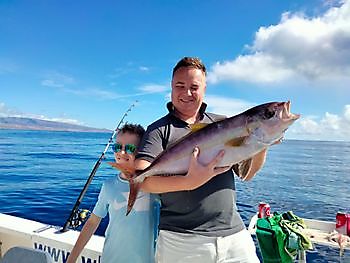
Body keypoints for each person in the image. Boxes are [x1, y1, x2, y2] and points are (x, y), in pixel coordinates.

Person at [135, 57, 266, 262]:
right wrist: (189, 181)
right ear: (171, 87)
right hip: (181, 241)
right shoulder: (158, 130)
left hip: (234, 236)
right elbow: (142, 179)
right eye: (180, 86)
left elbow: (247, 174)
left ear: (204, 88)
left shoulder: (224, 123)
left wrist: (262, 144)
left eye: (194, 87)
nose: (187, 93)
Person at [67, 123, 156, 263]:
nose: (121, 153)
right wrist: (71, 259)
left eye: (130, 148)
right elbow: (92, 222)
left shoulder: (156, 186)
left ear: (142, 151)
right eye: (117, 147)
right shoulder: (109, 186)